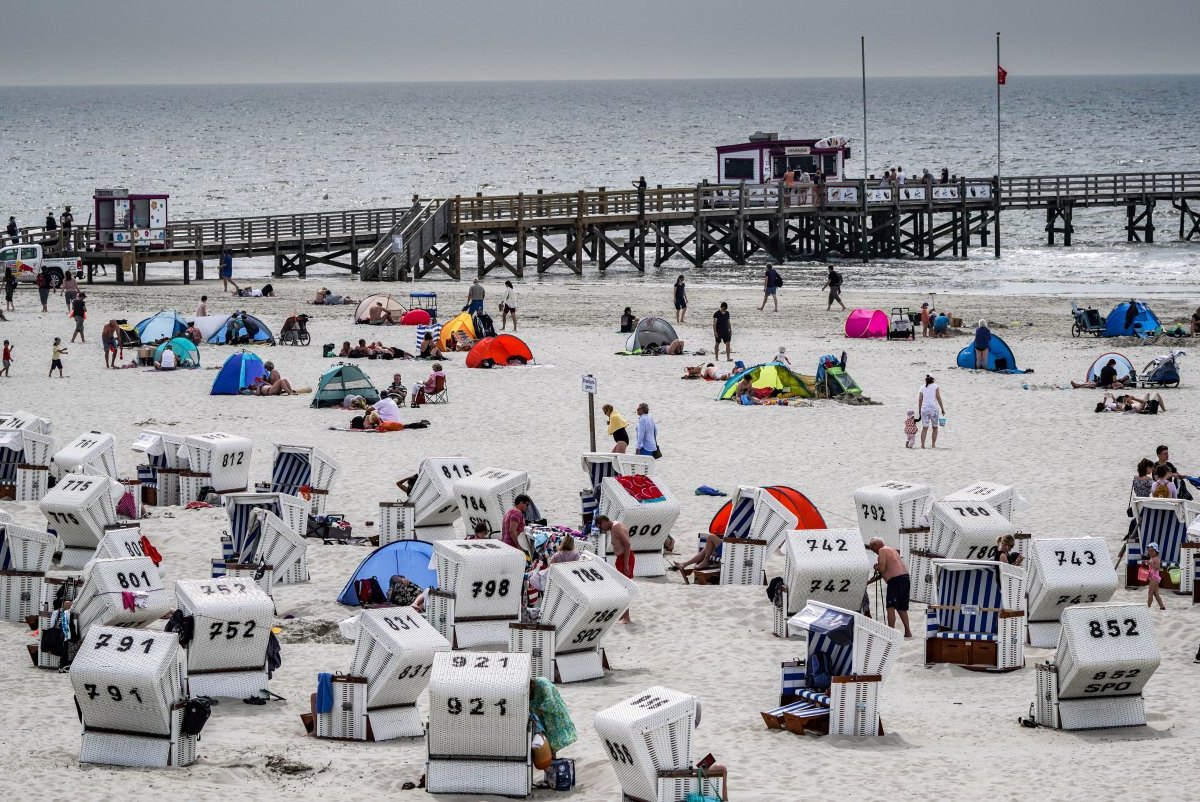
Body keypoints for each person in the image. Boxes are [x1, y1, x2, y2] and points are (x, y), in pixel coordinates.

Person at [867, 538, 912, 637]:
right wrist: (870, 581)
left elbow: (882, 569)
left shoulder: (881, 550)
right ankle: (908, 631)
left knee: (890, 607)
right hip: (905, 579)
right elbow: (886, 572)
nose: (873, 551)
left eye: (872, 548)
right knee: (901, 607)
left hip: (895, 581)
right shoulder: (892, 550)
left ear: (875, 545)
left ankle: (891, 632)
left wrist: (876, 567)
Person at [596, 515, 633, 621]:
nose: (601, 529)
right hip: (622, 558)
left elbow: (627, 544)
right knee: (621, 587)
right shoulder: (614, 526)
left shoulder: (616, 527)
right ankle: (623, 614)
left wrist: (625, 563)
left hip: (625, 558)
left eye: (600, 527)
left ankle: (627, 617)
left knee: (624, 587)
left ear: (603, 522)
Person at [917, 375, 944, 448]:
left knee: (925, 428)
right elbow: (938, 398)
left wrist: (919, 410)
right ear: (933, 379)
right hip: (934, 409)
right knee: (935, 428)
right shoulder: (935, 386)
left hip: (925, 409)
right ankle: (933, 445)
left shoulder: (922, 387)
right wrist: (942, 409)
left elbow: (920, 400)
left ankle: (922, 445)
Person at [1144, 543, 1166, 611]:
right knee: (1155, 593)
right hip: (1154, 577)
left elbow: (1157, 568)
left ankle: (1148, 607)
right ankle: (1162, 606)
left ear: (1156, 551)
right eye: (1149, 550)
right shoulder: (1152, 558)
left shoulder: (1156, 558)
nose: (1150, 552)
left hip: (1154, 578)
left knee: (1150, 592)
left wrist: (1150, 563)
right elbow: (1152, 568)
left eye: (1152, 551)